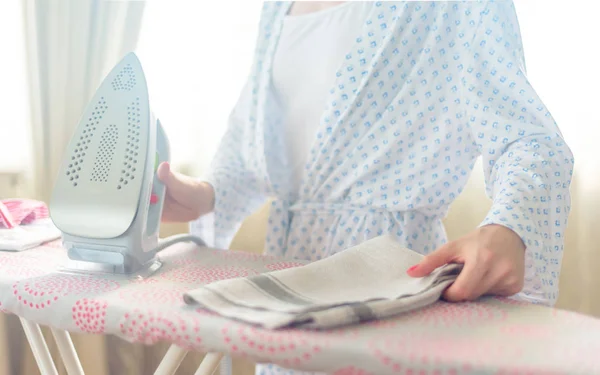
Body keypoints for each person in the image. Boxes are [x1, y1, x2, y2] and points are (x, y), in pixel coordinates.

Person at [154, 1, 573, 373]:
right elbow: (251, 148)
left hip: (390, 284)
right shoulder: (275, 8)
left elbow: (528, 139)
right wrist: (207, 195)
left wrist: (510, 226)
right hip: (287, 286)